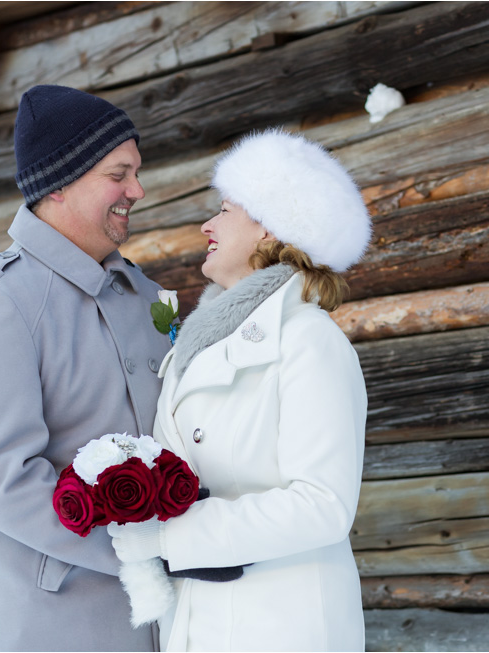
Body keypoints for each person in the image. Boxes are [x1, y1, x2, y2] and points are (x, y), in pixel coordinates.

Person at [107, 129, 371, 651]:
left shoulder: (308, 341)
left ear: (272, 229)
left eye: (225, 210)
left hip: (281, 626)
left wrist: (167, 537)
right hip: (201, 623)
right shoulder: (199, 345)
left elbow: (323, 504)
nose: (207, 224)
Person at [0, 85, 168, 652]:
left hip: (167, 621)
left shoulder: (146, 298)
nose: (136, 190)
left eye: (136, 172)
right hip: (54, 625)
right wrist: (142, 550)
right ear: (60, 182)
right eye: (119, 174)